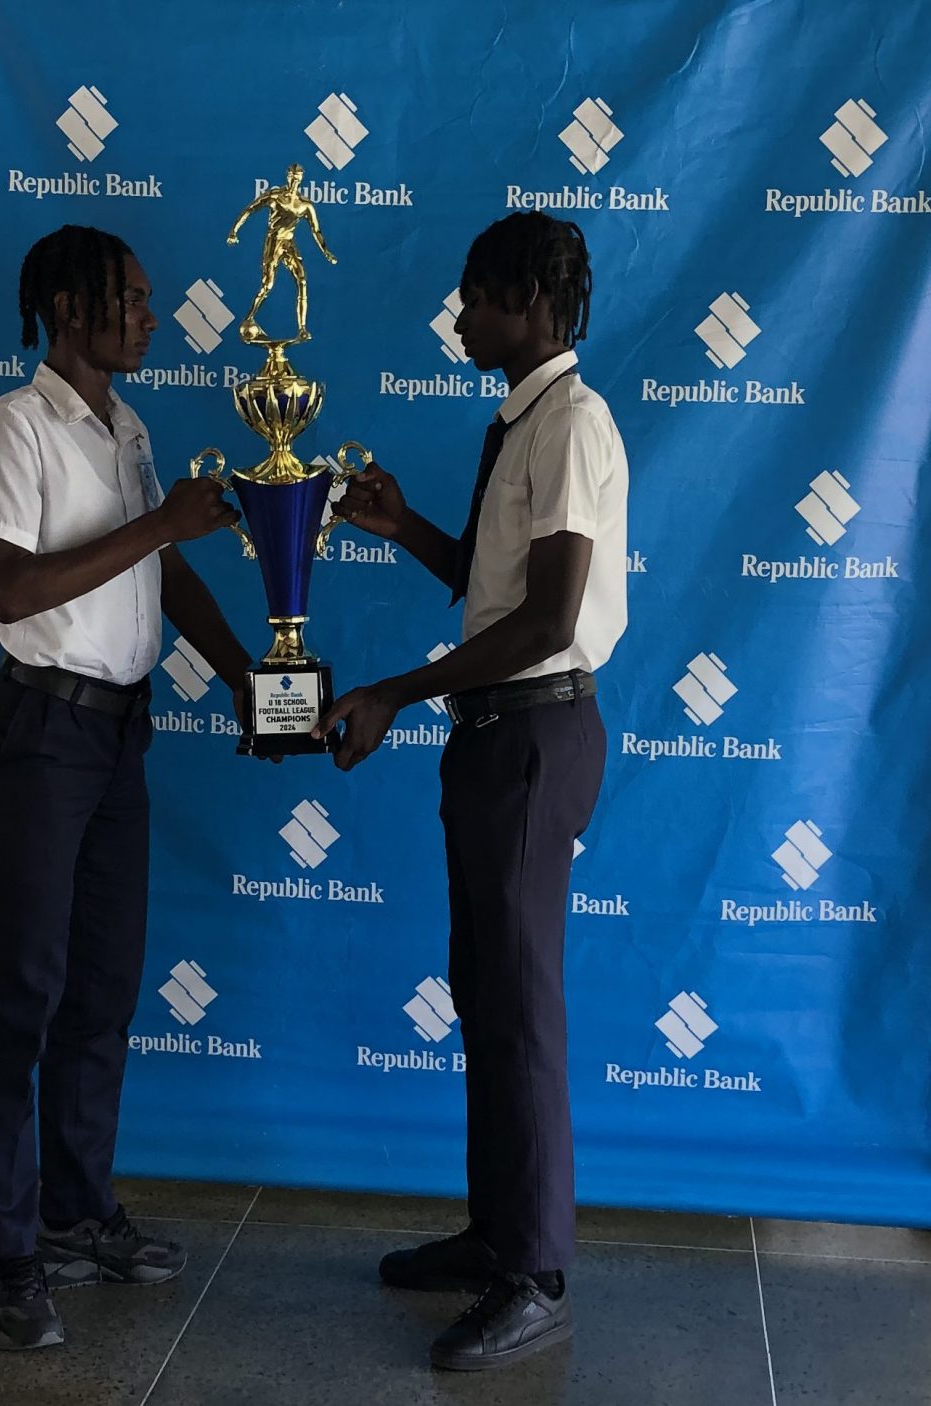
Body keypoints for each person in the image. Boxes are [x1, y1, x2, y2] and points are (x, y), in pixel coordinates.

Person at [314, 211, 628, 1372]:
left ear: (533, 301)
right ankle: (499, 1233)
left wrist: (395, 688)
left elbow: (549, 624)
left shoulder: (575, 424)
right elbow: (498, 595)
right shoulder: (524, 423)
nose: (459, 319)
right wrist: (406, 532)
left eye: (475, 300)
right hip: (499, 734)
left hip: (536, 735)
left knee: (523, 1007)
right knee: (488, 994)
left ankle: (536, 1275)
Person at [0, 224, 252, 1351]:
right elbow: (15, 587)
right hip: (42, 730)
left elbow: (163, 570)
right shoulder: (11, 426)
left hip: (121, 737)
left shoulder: (126, 427)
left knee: (103, 987)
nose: (152, 315)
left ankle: (77, 1211)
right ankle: (2, 1251)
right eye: (132, 298)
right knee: (19, 991)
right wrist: (159, 521)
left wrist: (244, 679)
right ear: (70, 310)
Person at [227, 162, 337, 343]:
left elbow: (316, 230)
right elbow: (250, 209)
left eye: (298, 177)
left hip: (289, 243)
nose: (294, 180)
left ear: (301, 179)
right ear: (287, 176)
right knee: (267, 285)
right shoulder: (275, 196)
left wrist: (326, 252)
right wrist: (234, 231)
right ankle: (250, 316)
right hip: (273, 243)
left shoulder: (305, 205)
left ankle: (302, 328)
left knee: (302, 280)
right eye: (292, 176)